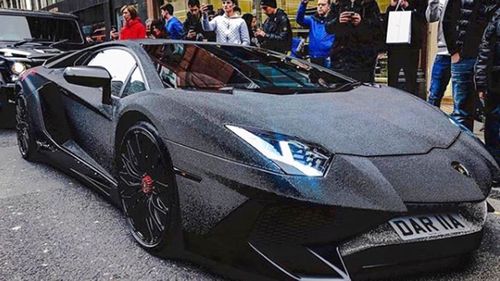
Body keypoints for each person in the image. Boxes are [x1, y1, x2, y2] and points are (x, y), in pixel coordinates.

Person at [443, 0, 497, 130]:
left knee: (492, 112)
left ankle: (490, 150)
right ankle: (463, 149)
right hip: (464, 57)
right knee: (461, 111)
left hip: (489, 59)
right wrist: (454, 51)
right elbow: (447, 20)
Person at [325, 0, 385, 82]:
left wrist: (361, 22)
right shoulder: (338, 4)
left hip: (363, 58)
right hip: (340, 57)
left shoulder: (370, 4)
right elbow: (328, 27)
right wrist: (338, 21)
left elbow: (378, 30)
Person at [386, 0, 427, 97]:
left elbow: (423, 18)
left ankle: (411, 101)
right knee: (392, 79)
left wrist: (408, 7)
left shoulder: (418, 3)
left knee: (411, 78)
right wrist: (392, 7)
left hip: (411, 45)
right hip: (394, 45)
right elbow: (386, 22)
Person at [475, 3, 500, 163]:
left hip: (494, 79)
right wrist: (481, 82)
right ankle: (494, 165)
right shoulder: (495, 16)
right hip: (495, 80)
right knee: (493, 122)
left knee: (493, 121)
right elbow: (485, 49)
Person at [426, 0, 451, 107]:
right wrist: (433, 2)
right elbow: (431, 18)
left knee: (463, 98)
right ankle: (429, 122)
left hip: (464, 54)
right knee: (434, 95)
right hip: (443, 52)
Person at [296, 0, 335, 67]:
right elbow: (299, 19)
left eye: (323, 5)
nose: (320, 7)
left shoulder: (334, 21)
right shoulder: (312, 19)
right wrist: (303, 4)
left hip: (329, 58)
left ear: (329, 6)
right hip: (314, 57)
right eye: (318, 5)